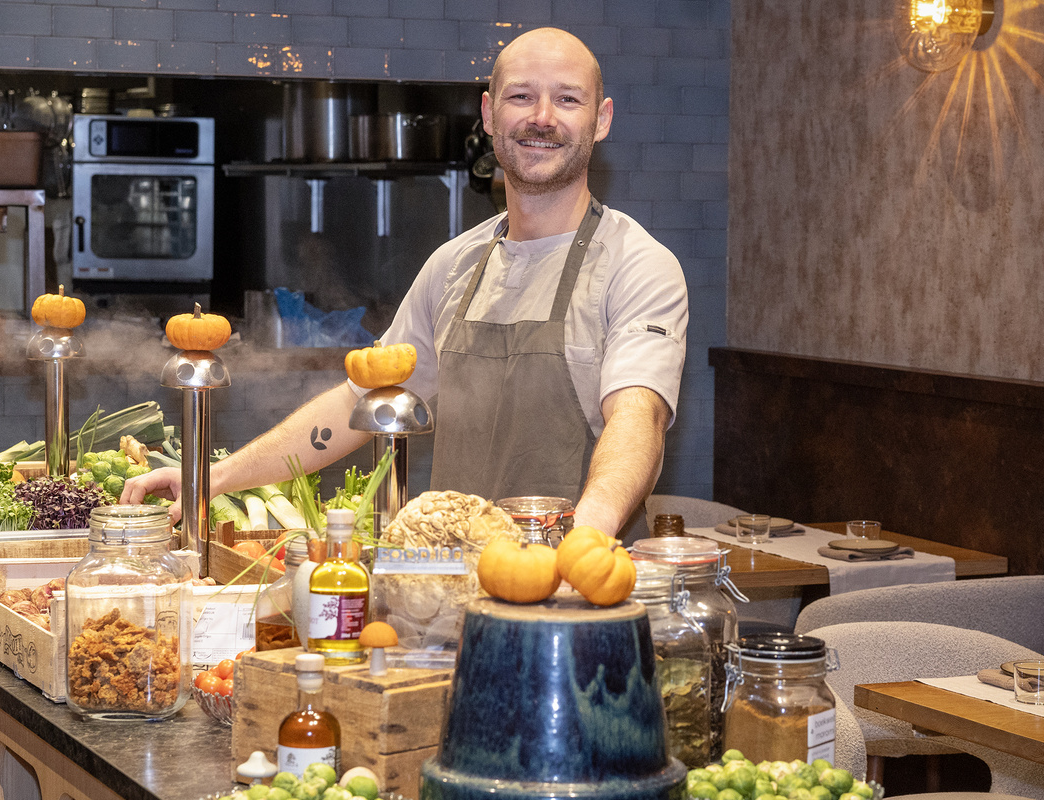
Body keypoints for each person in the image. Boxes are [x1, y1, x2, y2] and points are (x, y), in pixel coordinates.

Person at [123, 27, 687, 538]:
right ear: (489, 115)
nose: (542, 117)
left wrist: (587, 536)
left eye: (567, 99)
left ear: (601, 119)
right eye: (521, 96)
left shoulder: (637, 265)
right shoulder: (454, 265)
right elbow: (360, 400)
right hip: (449, 580)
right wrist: (211, 478)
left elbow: (639, 419)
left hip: (578, 582)